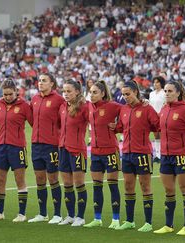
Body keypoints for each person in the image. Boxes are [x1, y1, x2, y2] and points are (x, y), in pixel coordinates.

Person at [153, 81, 185, 236]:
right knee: (169, 190)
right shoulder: (163, 109)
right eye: (165, 91)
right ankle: (169, 225)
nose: (167, 93)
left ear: (178, 93)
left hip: (182, 155)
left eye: (170, 91)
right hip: (165, 156)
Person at [110, 80, 160, 232]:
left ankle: (148, 223)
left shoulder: (147, 108)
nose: (125, 97)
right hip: (127, 153)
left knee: (145, 186)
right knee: (128, 186)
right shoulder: (124, 109)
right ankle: (130, 221)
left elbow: (157, 125)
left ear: (136, 92)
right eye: (123, 94)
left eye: (128, 94)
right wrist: (112, 126)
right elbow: (120, 127)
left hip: (143, 153)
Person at [0, 79, 33, 222]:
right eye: (5, 94)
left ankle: (22, 214)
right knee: (0, 181)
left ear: (16, 92)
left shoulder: (24, 105)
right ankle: (0, 213)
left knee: (20, 181)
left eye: (10, 94)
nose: (7, 97)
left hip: (17, 148)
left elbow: (33, 122)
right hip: (1, 147)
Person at [83, 80, 122, 229]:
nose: (91, 95)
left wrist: (118, 127)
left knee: (113, 186)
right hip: (95, 152)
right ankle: (97, 218)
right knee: (97, 186)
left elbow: (128, 113)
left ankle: (116, 220)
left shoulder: (112, 106)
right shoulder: (88, 107)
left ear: (103, 93)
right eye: (90, 92)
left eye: (95, 92)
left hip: (111, 151)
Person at [28, 74, 65, 224]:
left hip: (51, 145)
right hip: (36, 145)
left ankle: (57, 214)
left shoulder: (59, 100)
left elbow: (64, 121)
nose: (41, 83)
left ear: (52, 83)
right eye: (40, 81)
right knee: (39, 179)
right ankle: (42, 213)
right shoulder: (35, 98)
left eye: (44, 81)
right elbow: (32, 120)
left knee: (53, 178)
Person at [58, 79, 89, 226]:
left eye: (69, 91)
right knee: (67, 184)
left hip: (77, 150)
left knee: (79, 184)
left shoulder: (85, 107)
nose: (66, 94)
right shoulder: (63, 107)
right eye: (64, 91)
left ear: (77, 91)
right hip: (63, 149)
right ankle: (70, 215)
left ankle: (80, 217)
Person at [149, 76, 166, 163]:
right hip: (153, 117)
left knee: (163, 136)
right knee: (156, 136)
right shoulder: (151, 94)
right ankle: (158, 155)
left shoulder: (164, 93)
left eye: (157, 82)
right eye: (154, 82)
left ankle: (163, 155)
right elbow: (150, 106)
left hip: (162, 117)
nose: (155, 84)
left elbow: (165, 105)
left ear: (161, 83)